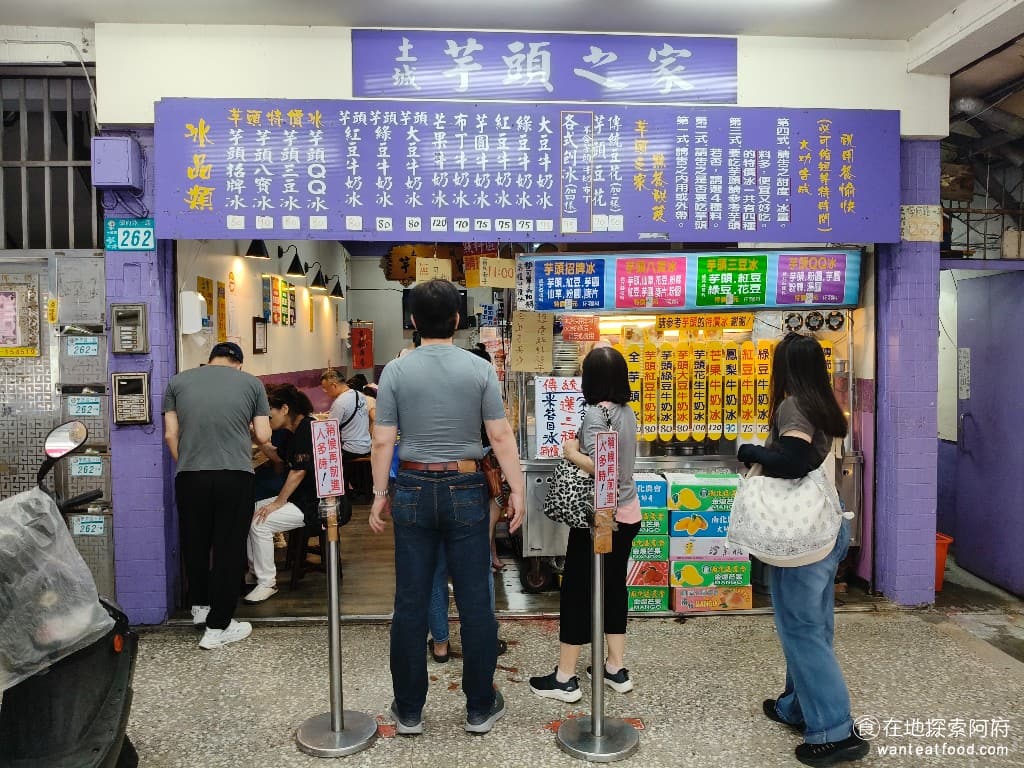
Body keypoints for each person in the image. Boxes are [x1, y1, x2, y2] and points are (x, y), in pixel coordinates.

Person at [369, 279, 524, 736]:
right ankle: (479, 708)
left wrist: (379, 494)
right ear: (457, 319)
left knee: (410, 601)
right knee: (476, 601)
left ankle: (409, 711)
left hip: (412, 487)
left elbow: (382, 440)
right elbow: (499, 435)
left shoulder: (396, 371)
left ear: (413, 321)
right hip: (466, 487)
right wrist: (516, 490)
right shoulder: (480, 369)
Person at [735, 332, 867, 767]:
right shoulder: (822, 403)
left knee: (803, 631)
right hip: (826, 523)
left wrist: (750, 450)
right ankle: (797, 707)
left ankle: (834, 731)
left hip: (803, 536)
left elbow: (792, 460)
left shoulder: (793, 405)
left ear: (785, 367)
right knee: (813, 626)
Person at [529, 346, 641, 702]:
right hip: (628, 513)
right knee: (614, 588)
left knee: (577, 591)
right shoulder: (627, 412)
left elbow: (604, 469)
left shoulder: (595, 414)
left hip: (600, 519)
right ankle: (615, 668)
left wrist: (571, 452)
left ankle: (565, 678)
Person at [162, 341, 271, 650]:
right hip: (234, 475)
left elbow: (170, 434)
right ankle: (218, 626)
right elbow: (264, 435)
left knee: (195, 543)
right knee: (228, 549)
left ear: (209, 359)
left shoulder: (177, 381)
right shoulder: (251, 384)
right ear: (239, 363)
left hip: (190, 476)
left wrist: (186, 462)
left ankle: (200, 606)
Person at [427, 345, 508, 664]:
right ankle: (482, 639)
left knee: (435, 569)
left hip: (428, 482)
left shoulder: (430, 394)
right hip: (469, 482)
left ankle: (440, 644)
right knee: (477, 568)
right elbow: (497, 442)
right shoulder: (483, 394)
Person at [243, 384, 319, 604]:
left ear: (285, 409)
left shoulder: (307, 429)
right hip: (299, 498)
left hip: (313, 504)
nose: (266, 419)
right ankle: (255, 572)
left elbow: (298, 471)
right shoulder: (290, 432)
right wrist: (256, 435)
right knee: (248, 511)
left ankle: (267, 582)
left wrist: (278, 502)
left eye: (269, 415)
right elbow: (278, 458)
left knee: (260, 523)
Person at [320, 368, 372, 499]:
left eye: (326, 388)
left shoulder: (339, 402)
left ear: (334, 385)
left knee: (322, 456)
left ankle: (335, 493)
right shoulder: (359, 395)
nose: (325, 392)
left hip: (351, 449)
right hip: (366, 444)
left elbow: (330, 429)